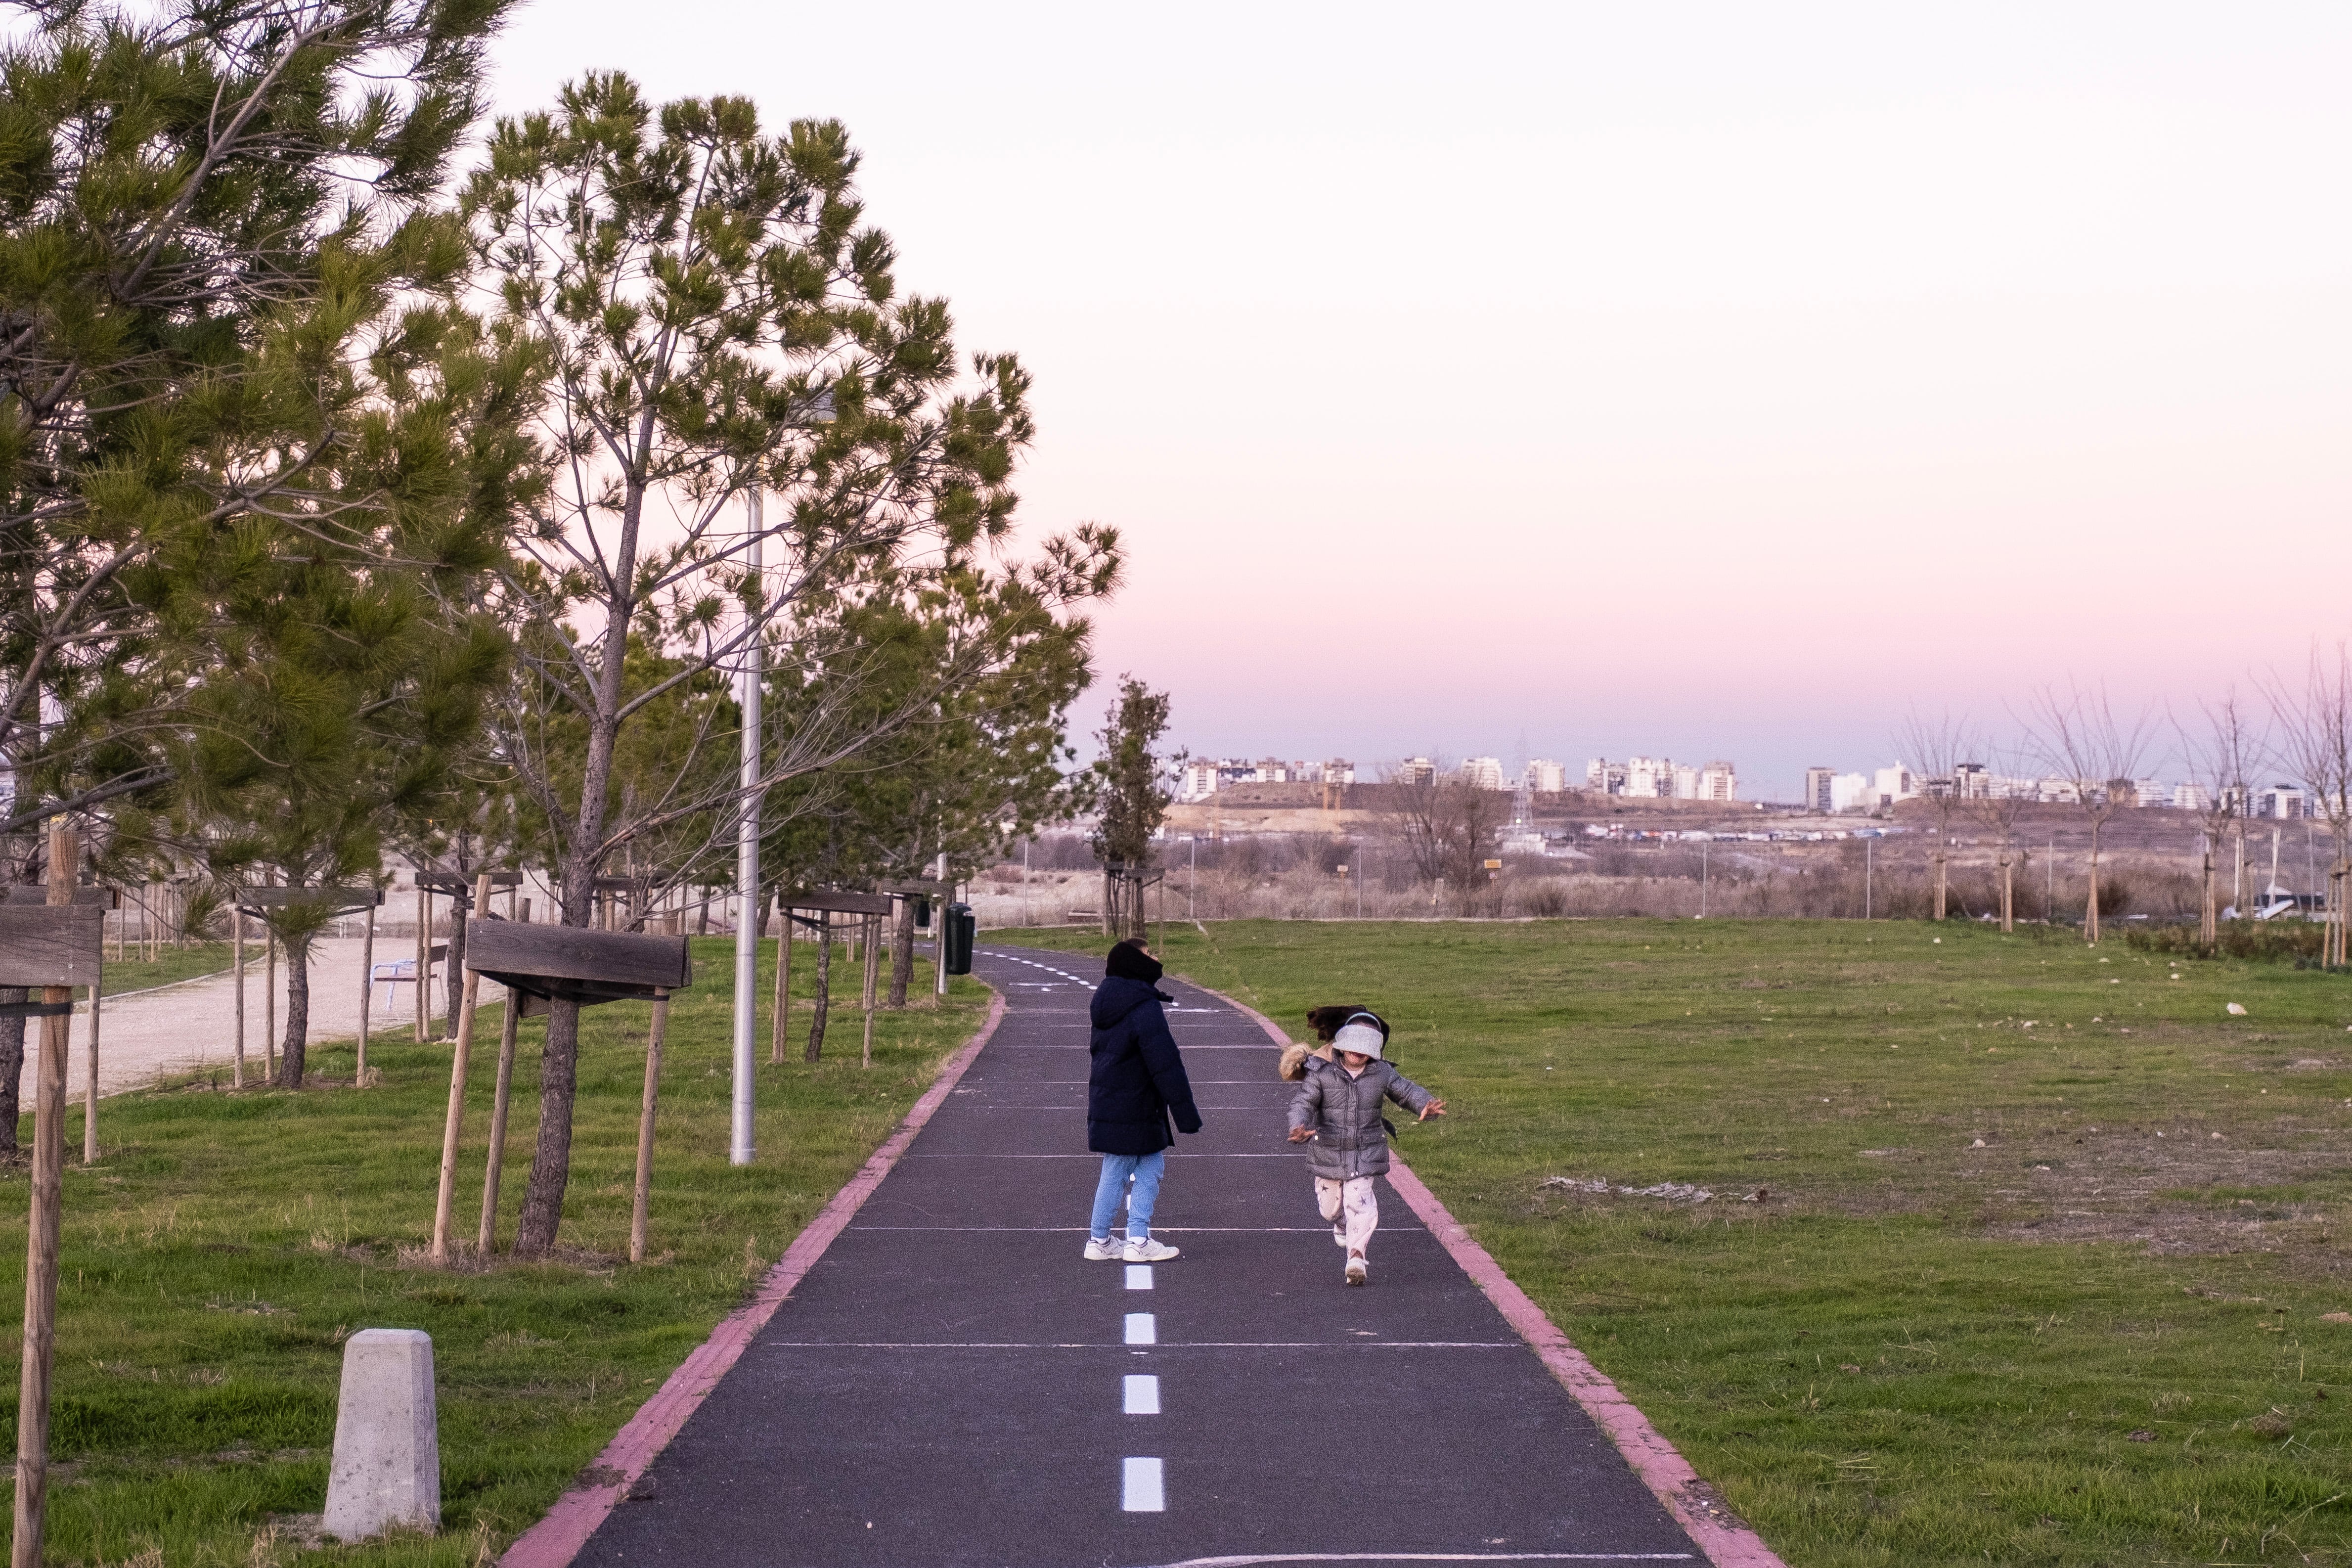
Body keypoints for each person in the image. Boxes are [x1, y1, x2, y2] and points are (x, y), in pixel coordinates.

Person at [1286, 1019, 1444, 1285]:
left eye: (1365, 1052)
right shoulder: (1322, 1073)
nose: (1358, 1055)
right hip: (1328, 1151)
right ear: (1342, 1048)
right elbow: (1303, 1103)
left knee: (1359, 1202)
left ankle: (1356, 1259)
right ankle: (1342, 1224)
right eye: (1353, 1050)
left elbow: (1405, 1091)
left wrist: (1424, 1105)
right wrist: (1298, 1126)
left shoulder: (1381, 1073)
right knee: (1330, 1209)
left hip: (1366, 1151)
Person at [1085, 938, 1201, 1263]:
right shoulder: (1142, 1006)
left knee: (1132, 1165)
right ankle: (1134, 1240)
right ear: (1135, 963)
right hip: (1136, 1101)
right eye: (1149, 954)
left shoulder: (1107, 1000)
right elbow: (1164, 1061)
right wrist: (1186, 1113)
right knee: (1130, 1167)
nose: (1156, 958)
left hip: (1109, 1097)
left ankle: (1103, 1240)